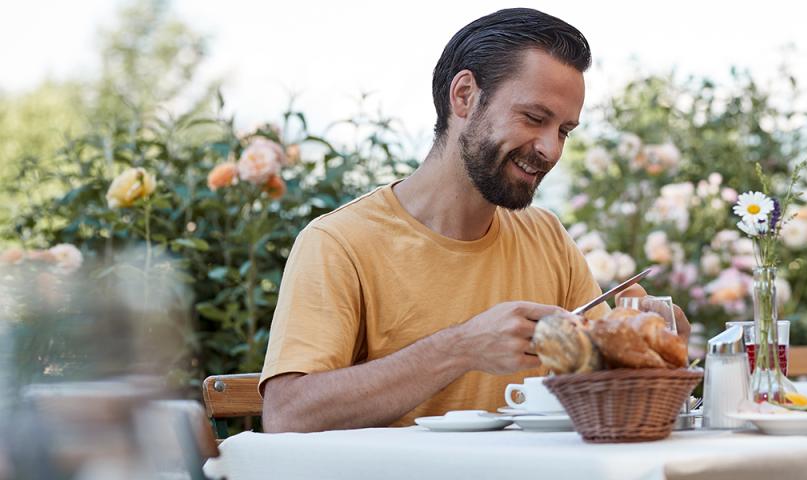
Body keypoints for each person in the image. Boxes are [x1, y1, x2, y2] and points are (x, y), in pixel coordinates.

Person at [259, 8, 689, 433]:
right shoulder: (339, 243)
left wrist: (654, 351)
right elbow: (288, 414)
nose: (551, 149)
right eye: (535, 118)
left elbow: (603, 386)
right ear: (464, 96)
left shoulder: (547, 237)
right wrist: (460, 348)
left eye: (564, 131)